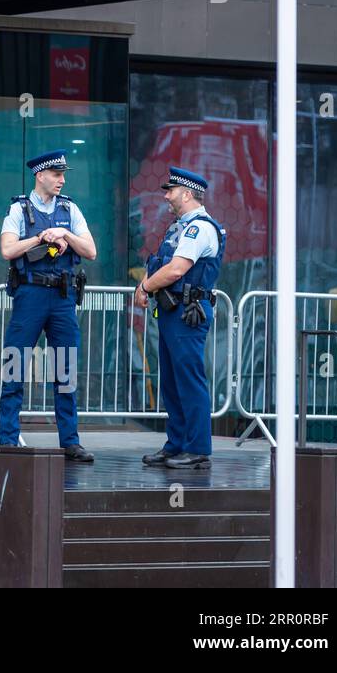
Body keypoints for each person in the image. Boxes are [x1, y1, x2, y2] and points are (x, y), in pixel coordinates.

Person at [0, 149, 98, 462]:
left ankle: (70, 441)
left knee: (65, 370)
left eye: (62, 174)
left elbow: (91, 251)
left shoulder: (70, 209)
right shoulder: (19, 209)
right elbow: (7, 249)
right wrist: (41, 238)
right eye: (56, 174)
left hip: (63, 298)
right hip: (30, 294)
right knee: (15, 363)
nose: (62, 179)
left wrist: (65, 232)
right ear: (40, 175)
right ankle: (8, 439)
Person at [135, 167, 226, 470]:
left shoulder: (199, 228)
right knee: (172, 383)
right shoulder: (178, 227)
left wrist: (146, 286)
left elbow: (176, 269)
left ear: (187, 194)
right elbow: (160, 263)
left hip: (188, 314)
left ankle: (198, 448)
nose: (166, 196)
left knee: (189, 381)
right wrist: (145, 281)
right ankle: (176, 444)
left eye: (171, 191)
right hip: (172, 312)